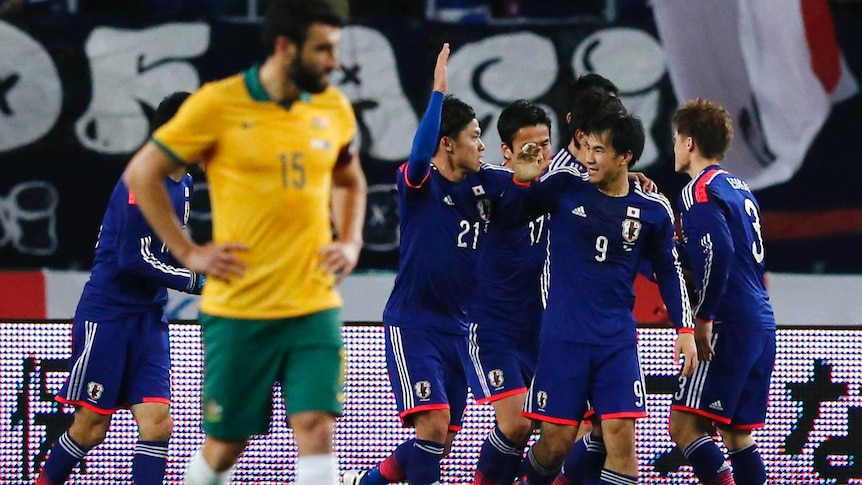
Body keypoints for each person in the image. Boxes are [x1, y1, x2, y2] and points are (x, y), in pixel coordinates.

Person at [122, 0, 367, 483]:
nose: (334, 63)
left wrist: (352, 239)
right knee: (226, 445)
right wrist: (189, 251)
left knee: (317, 427)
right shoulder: (218, 103)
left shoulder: (332, 106)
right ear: (284, 47)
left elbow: (349, 180)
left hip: (312, 303)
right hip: (240, 310)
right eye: (323, 50)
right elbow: (142, 172)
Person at [505, 111, 697, 485]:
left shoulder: (653, 211)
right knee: (556, 444)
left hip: (617, 343)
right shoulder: (563, 186)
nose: (589, 158)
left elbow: (670, 272)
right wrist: (521, 183)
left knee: (621, 442)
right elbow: (510, 217)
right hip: (564, 341)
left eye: (600, 150)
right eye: (587, 148)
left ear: (625, 156)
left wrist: (685, 329)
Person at [35, 91, 203, 485]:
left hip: (148, 320)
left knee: (158, 425)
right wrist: (196, 281)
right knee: (91, 429)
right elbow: (134, 259)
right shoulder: (142, 178)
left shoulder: (187, 184)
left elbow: (170, 247)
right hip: (108, 316)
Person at [342, 43, 486, 485]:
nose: (481, 146)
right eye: (474, 136)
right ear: (449, 143)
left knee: (439, 439)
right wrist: (438, 94)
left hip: (459, 328)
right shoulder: (419, 183)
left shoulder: (484, 189)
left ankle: (363, 482)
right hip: (415, 323)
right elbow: (421, 156)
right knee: (433, 427)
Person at [667, 98, 776, 485]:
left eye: (677, 138)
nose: (675, 147)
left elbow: (720, 251)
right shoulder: (739, 187)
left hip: (727, 323)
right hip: (761, 322)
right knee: (735, 433)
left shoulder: (698, 191)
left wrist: (704, 317)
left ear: (690, 142)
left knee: (683, 426)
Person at [466, 99, 553, 485]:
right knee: (517, 423)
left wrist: (628, 176)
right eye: (528, 148)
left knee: (565, 434)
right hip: (492, 327)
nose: (540, 155)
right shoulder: (490, 184)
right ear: (507, 151)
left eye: (545, 145)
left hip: (541, 330)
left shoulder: (560, 189)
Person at [548, 73, 618, 172]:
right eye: (597, 112)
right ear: (571, 119)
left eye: (614, 111)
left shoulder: (613, 174)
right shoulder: (558, 177)